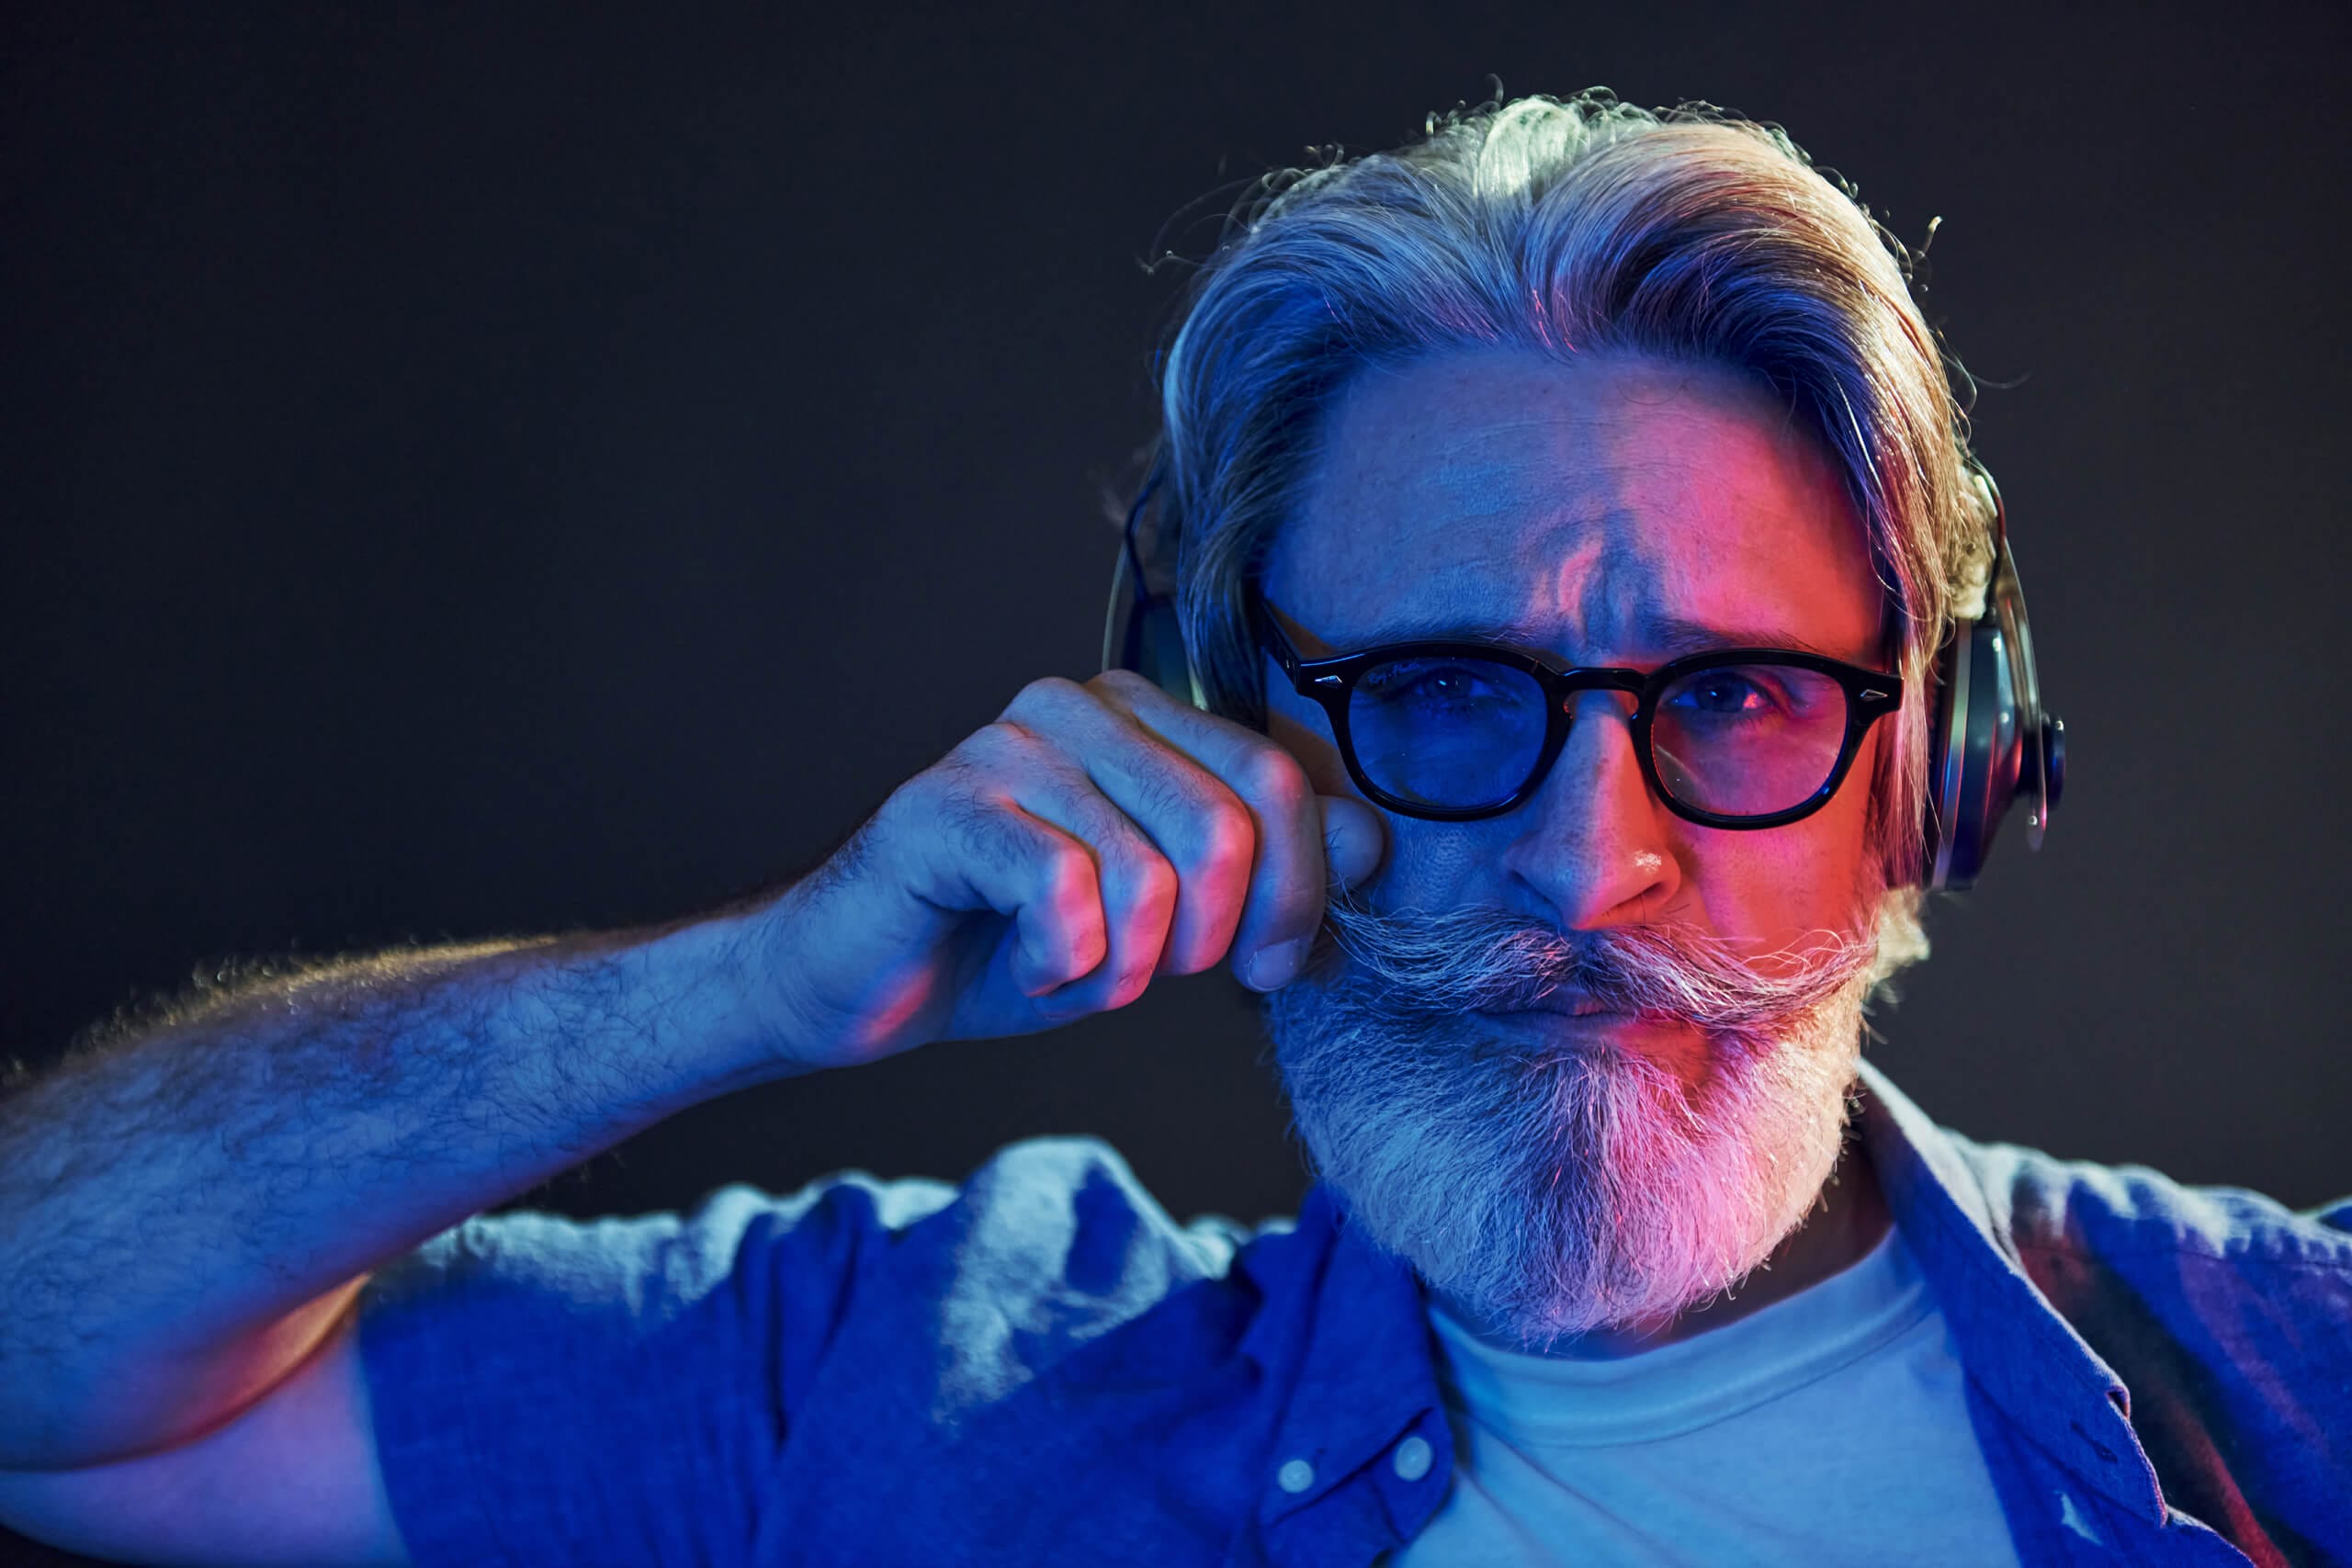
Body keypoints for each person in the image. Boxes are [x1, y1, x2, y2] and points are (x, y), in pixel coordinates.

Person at [0, 89, 2343, 1568]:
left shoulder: (2302, 1375)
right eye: (1438, 694)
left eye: (1730, 696)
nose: (1576, 859)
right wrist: (754, 981)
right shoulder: (905, 1394)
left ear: (1939, 763)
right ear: (1221, 736)